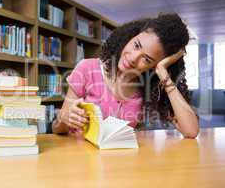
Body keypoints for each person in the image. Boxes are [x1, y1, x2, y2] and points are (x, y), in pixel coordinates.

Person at [52, 13, 199, 138]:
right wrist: (65, 118)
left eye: (146, 59)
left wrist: (163, 72)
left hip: (120, 165)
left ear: (154, 66)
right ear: (130, 36)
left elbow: (191, 131)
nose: (133, 58)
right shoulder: (87, 69)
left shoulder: (149, 89)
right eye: (136, 45)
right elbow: (56, 128)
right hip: (80, 162)